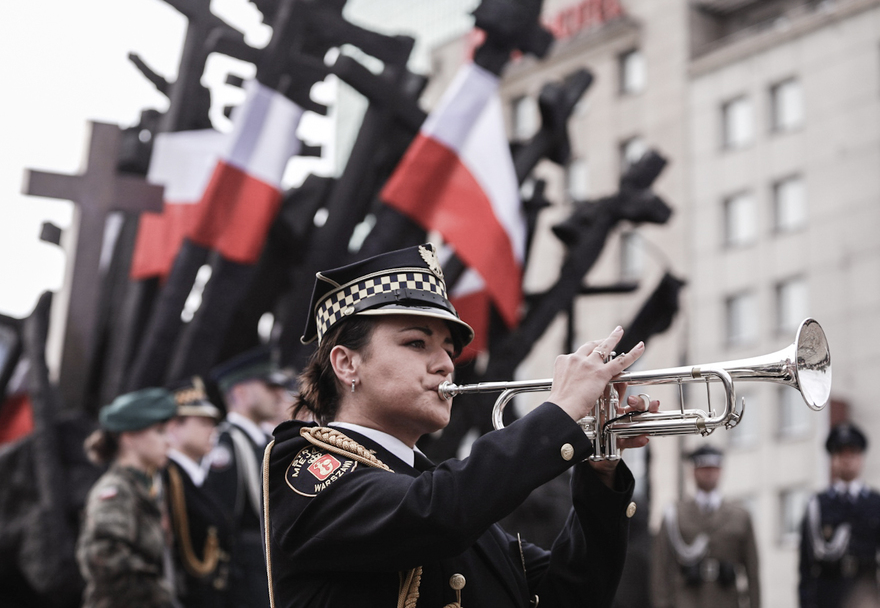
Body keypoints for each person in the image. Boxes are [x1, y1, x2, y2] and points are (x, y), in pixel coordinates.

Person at [263, 243, 656, 608]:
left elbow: (573, 593)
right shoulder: (305, 466)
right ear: (347, 364)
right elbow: (433, 512)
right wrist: (559, 412)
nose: (446, 364)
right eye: (417, 343)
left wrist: (599, 472)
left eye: (449, 350)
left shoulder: (445, 491)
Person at [205, 346, 292, 608]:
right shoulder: (226, 445)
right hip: (246, 576)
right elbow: (223, 520)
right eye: (269, 386)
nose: (279, 394)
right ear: (240, 393)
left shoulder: (269, 442)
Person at [76, 388, 178, 608]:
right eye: (159, 432)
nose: (168, 442)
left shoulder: (146, 486)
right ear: (129, 437)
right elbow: (103, 556)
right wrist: (160, 596)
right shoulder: (115, 491)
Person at [651, 445, 760, 608]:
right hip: (686, 601)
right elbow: (661, 567)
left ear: (721, 471)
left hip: (727, 600)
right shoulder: (675, 515)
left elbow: (752, 569)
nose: (709, 473)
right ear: (693, 471)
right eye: (703, 468)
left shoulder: (740, 516)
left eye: (713, 468)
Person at [163, 378, 230, 608]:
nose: (212, 430)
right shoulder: (169, 478)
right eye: (203, 422)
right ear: (173, 426)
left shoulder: (196, 477)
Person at [799, 422, 880, 608]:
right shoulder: (818, 505)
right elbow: (805, 566)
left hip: (866, 592)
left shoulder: (875, 503)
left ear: (861, 458)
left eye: (852, 453)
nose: (847, 459)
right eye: (841, 453)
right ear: (833, 459)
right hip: (828, 594)